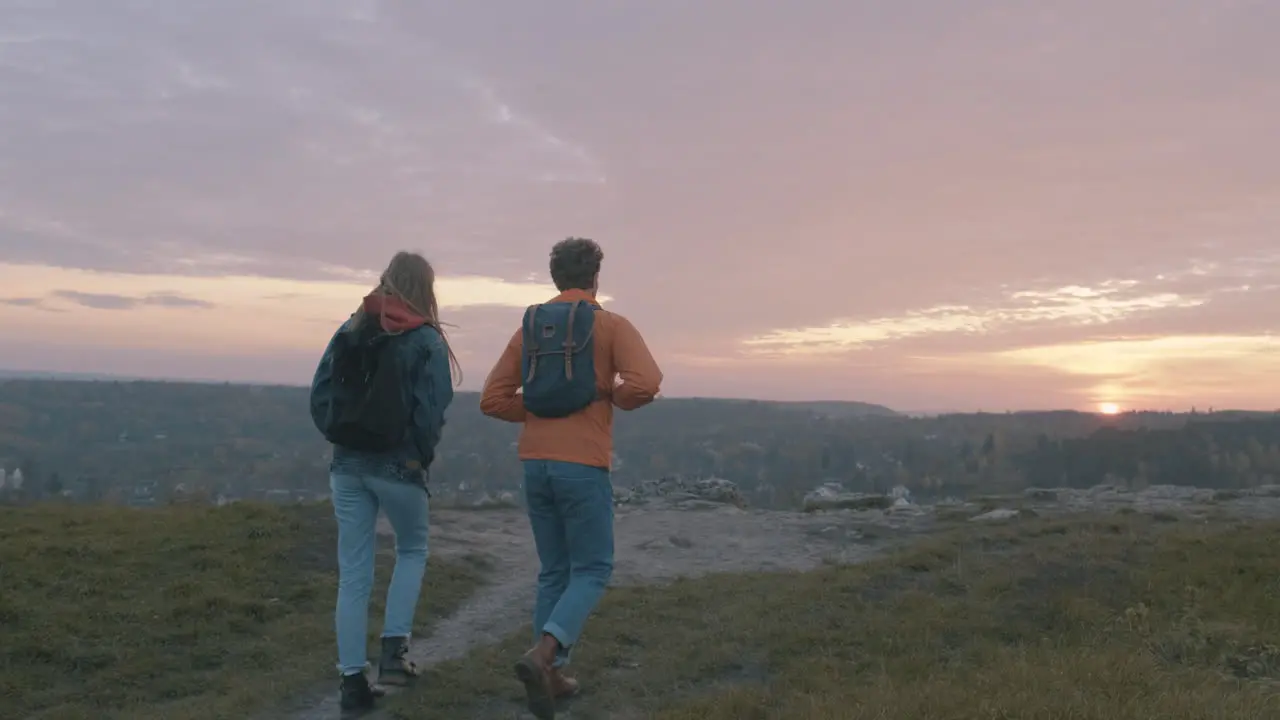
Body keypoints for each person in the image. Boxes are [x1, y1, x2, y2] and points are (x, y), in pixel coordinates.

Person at [480, 237, 662, 719]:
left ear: (555, 278)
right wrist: (606, 396)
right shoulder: (609, 325)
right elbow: (646, 381)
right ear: (595, 278)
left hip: (535, 462)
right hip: (582, 463)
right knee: (593, 569)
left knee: (554, 571)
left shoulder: (532, 328)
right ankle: (544, 654)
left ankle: (553, 677)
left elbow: (493, 399)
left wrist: (540, 410)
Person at [309, 251, 459, 714]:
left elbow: (320, 394)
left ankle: (352, 683)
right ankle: (394, 655)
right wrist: (418, 458)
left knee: (353, 573)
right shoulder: (427, 339)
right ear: (426, 290)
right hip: (398, 467)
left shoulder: (352, 327)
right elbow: (432, 410)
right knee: (412, 550)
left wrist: (341, 438)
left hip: (347, 464)